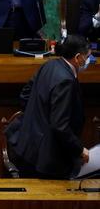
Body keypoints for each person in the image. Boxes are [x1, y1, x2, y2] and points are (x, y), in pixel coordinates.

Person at [5, 35, 91, 179]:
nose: (88, 60)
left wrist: (38, 119)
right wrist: (80, 150)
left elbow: (25, 94)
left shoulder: (49, 65)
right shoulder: (66, 81)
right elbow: (60, 126)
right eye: (87, 57)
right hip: (48, 158)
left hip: (29, 147)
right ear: (77, 58)